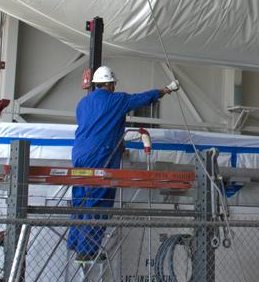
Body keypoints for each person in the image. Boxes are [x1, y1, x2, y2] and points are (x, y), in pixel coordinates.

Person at [66, 65, 179, 260]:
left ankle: (75, 243)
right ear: (109, 84)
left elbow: (97, 127)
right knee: (98, 200)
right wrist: (166, 89)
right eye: (113, 84)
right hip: (99, 156)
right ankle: (87, 250)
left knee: (80, 198)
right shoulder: (116, 100)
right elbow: (142, 98)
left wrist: (119, 144)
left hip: (79, 155)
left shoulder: (82, 104)